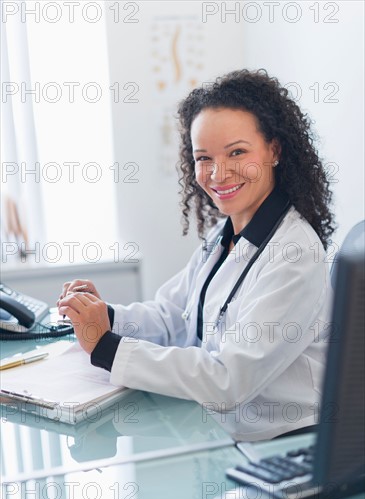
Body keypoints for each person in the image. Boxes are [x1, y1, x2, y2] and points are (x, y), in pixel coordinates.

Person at [58, 69, 335, 441]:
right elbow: (175, 316)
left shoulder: (295, 254)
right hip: (224, 433)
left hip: (284, 444)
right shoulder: (226, 234)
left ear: (274, 150)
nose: (218, 173)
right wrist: (102, 315)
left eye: (237, 152)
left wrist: (107, 347)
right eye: (204, 158)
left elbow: (228, 380)